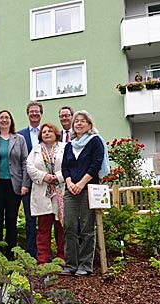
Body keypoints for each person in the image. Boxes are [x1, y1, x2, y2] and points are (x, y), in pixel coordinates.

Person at [61, 110, 109, 276]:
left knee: (87, 228)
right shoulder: (69, 145)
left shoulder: (95, 141)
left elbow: (96, 164)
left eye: (83, 121)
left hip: (88, 188)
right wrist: (70, 183)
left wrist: (81, 184)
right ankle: (70, 265)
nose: (79, 123)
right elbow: (64, 167)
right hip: (70, 190)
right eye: (76, 121)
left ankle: (85, 265)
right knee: (69, 227)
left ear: (89, 125)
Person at [0, 110, 30, 259]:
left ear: (11, 121)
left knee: (11, 220)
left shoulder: (19, 139)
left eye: (7, 117)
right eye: (1, 117)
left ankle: (11, 254)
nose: (4, 120)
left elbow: (25, 162)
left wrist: (25, 184)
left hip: (15, 185)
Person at [27, 122, 65, 264]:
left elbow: (70, 164)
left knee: (61, 227)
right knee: (43, 228)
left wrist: (58, 177)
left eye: (50, 131)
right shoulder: (35, 150)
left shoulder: (64, 148)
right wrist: (44, 177)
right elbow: (29, 166)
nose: (47, 133)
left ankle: (62, 257)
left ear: (56, 134)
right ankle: (43, 259)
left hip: (60, 191)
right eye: (44, 132)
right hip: (42, 192)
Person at [17, 101, 42, 258]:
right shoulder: (20, 136)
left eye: (37, 111)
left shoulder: (47, 133)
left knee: (46, 219)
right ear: (28, 114)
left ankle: (44, 252)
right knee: (30, 219)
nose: (34, 114)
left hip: (45, 183)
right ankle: (32, 253)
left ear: (41, 114)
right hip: (27, 184)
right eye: (31, 111)